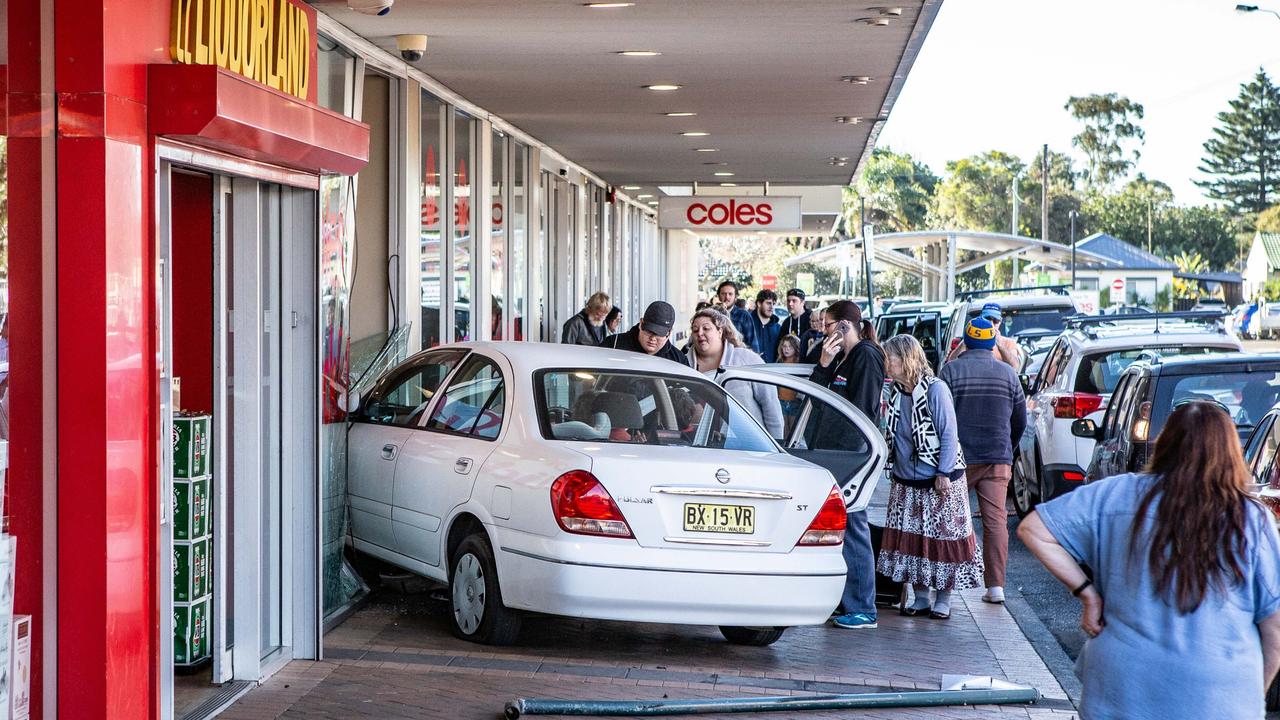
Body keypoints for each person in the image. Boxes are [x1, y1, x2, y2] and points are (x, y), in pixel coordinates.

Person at [1019, 402, 1280, 719]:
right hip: (1219, 695)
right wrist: (1251, 693)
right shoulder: (1251, 519)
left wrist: (1087, 593)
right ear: (1230, 450)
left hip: (1123, 691)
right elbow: (1274, 627)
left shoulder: (1114, 495)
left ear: (1165, 442)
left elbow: (1033, 529)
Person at [878, 334, 983, 620]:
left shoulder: (936, 390)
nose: (887, 364)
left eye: (891, 358)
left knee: (941, 539)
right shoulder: (896, 392)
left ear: (907, 359)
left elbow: (949, 434)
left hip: (938, 477)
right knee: (913, 540)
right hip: (906, 478)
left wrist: (943, 473)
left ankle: (943, 598)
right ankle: (921, 596)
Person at [938, 317, 1026, 605]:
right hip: (997, 456)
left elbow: (939, 417)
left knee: (950, 522)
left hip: (959, 460)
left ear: (967, 340)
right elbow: (1020, 420)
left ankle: (946, 591)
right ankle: (996, 587)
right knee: (996, 521)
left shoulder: (951, 372)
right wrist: (1007, 448)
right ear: (991, 342)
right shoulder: (1009, 374)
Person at [810, 300, 885, 631]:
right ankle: (844, 600)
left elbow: (862, 410)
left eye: (827, 325)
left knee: (853, 523)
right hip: (833, 450)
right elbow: (815, 394)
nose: (824, 332)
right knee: (839, 525)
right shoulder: (841, 358)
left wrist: (854, 451)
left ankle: (862, 605)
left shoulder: (866, 356)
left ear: (843, 326)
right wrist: (824, 363)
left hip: (852, 453)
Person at [685, 308, 783, 437]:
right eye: (695, 329)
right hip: (696, 447)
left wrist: (776, 445)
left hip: (748, 446)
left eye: (706, 328)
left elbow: (771, 406)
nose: (700, 333)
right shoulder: (683, 364)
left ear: (720, 331)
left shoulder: (747, 360)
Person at [600, 300, 685, 364]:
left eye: (659, 334)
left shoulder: (678, 360)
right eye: (649, 331)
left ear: (669, 333)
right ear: (641, 324)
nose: (652, 338)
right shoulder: (612, 345)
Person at [946, 303, 1019, 370]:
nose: (991, 324)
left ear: (1000, 321)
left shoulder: (1008, 343)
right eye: (987, 319)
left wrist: (1000, 344)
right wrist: (967, 338)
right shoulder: (970, 341)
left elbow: (1014, 366)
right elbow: (950, 363)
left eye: (995, 321)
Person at [715, 281, 757, 352]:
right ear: (719, 296)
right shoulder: (712, 314)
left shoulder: (743, 315)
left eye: (730, 294)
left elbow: (752, 344)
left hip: (737, 358)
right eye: (723, 294)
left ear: (735, 297)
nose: (727, 297)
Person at [777, 334, 803, 435]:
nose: (786, 349)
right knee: (784, 428)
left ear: (796, 348)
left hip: (795, 401)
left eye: (790, 347)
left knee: (793, 428)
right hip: (781, 400)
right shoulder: (780, 362)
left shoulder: (799, 362)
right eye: (784, 346)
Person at [750, 289, 782, 362]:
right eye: (768, 303)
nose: (771, 307)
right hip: (751, 369)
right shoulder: (748, 324)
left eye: (773, 304)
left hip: (772, 370)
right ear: (759, 304)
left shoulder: (777, 328)